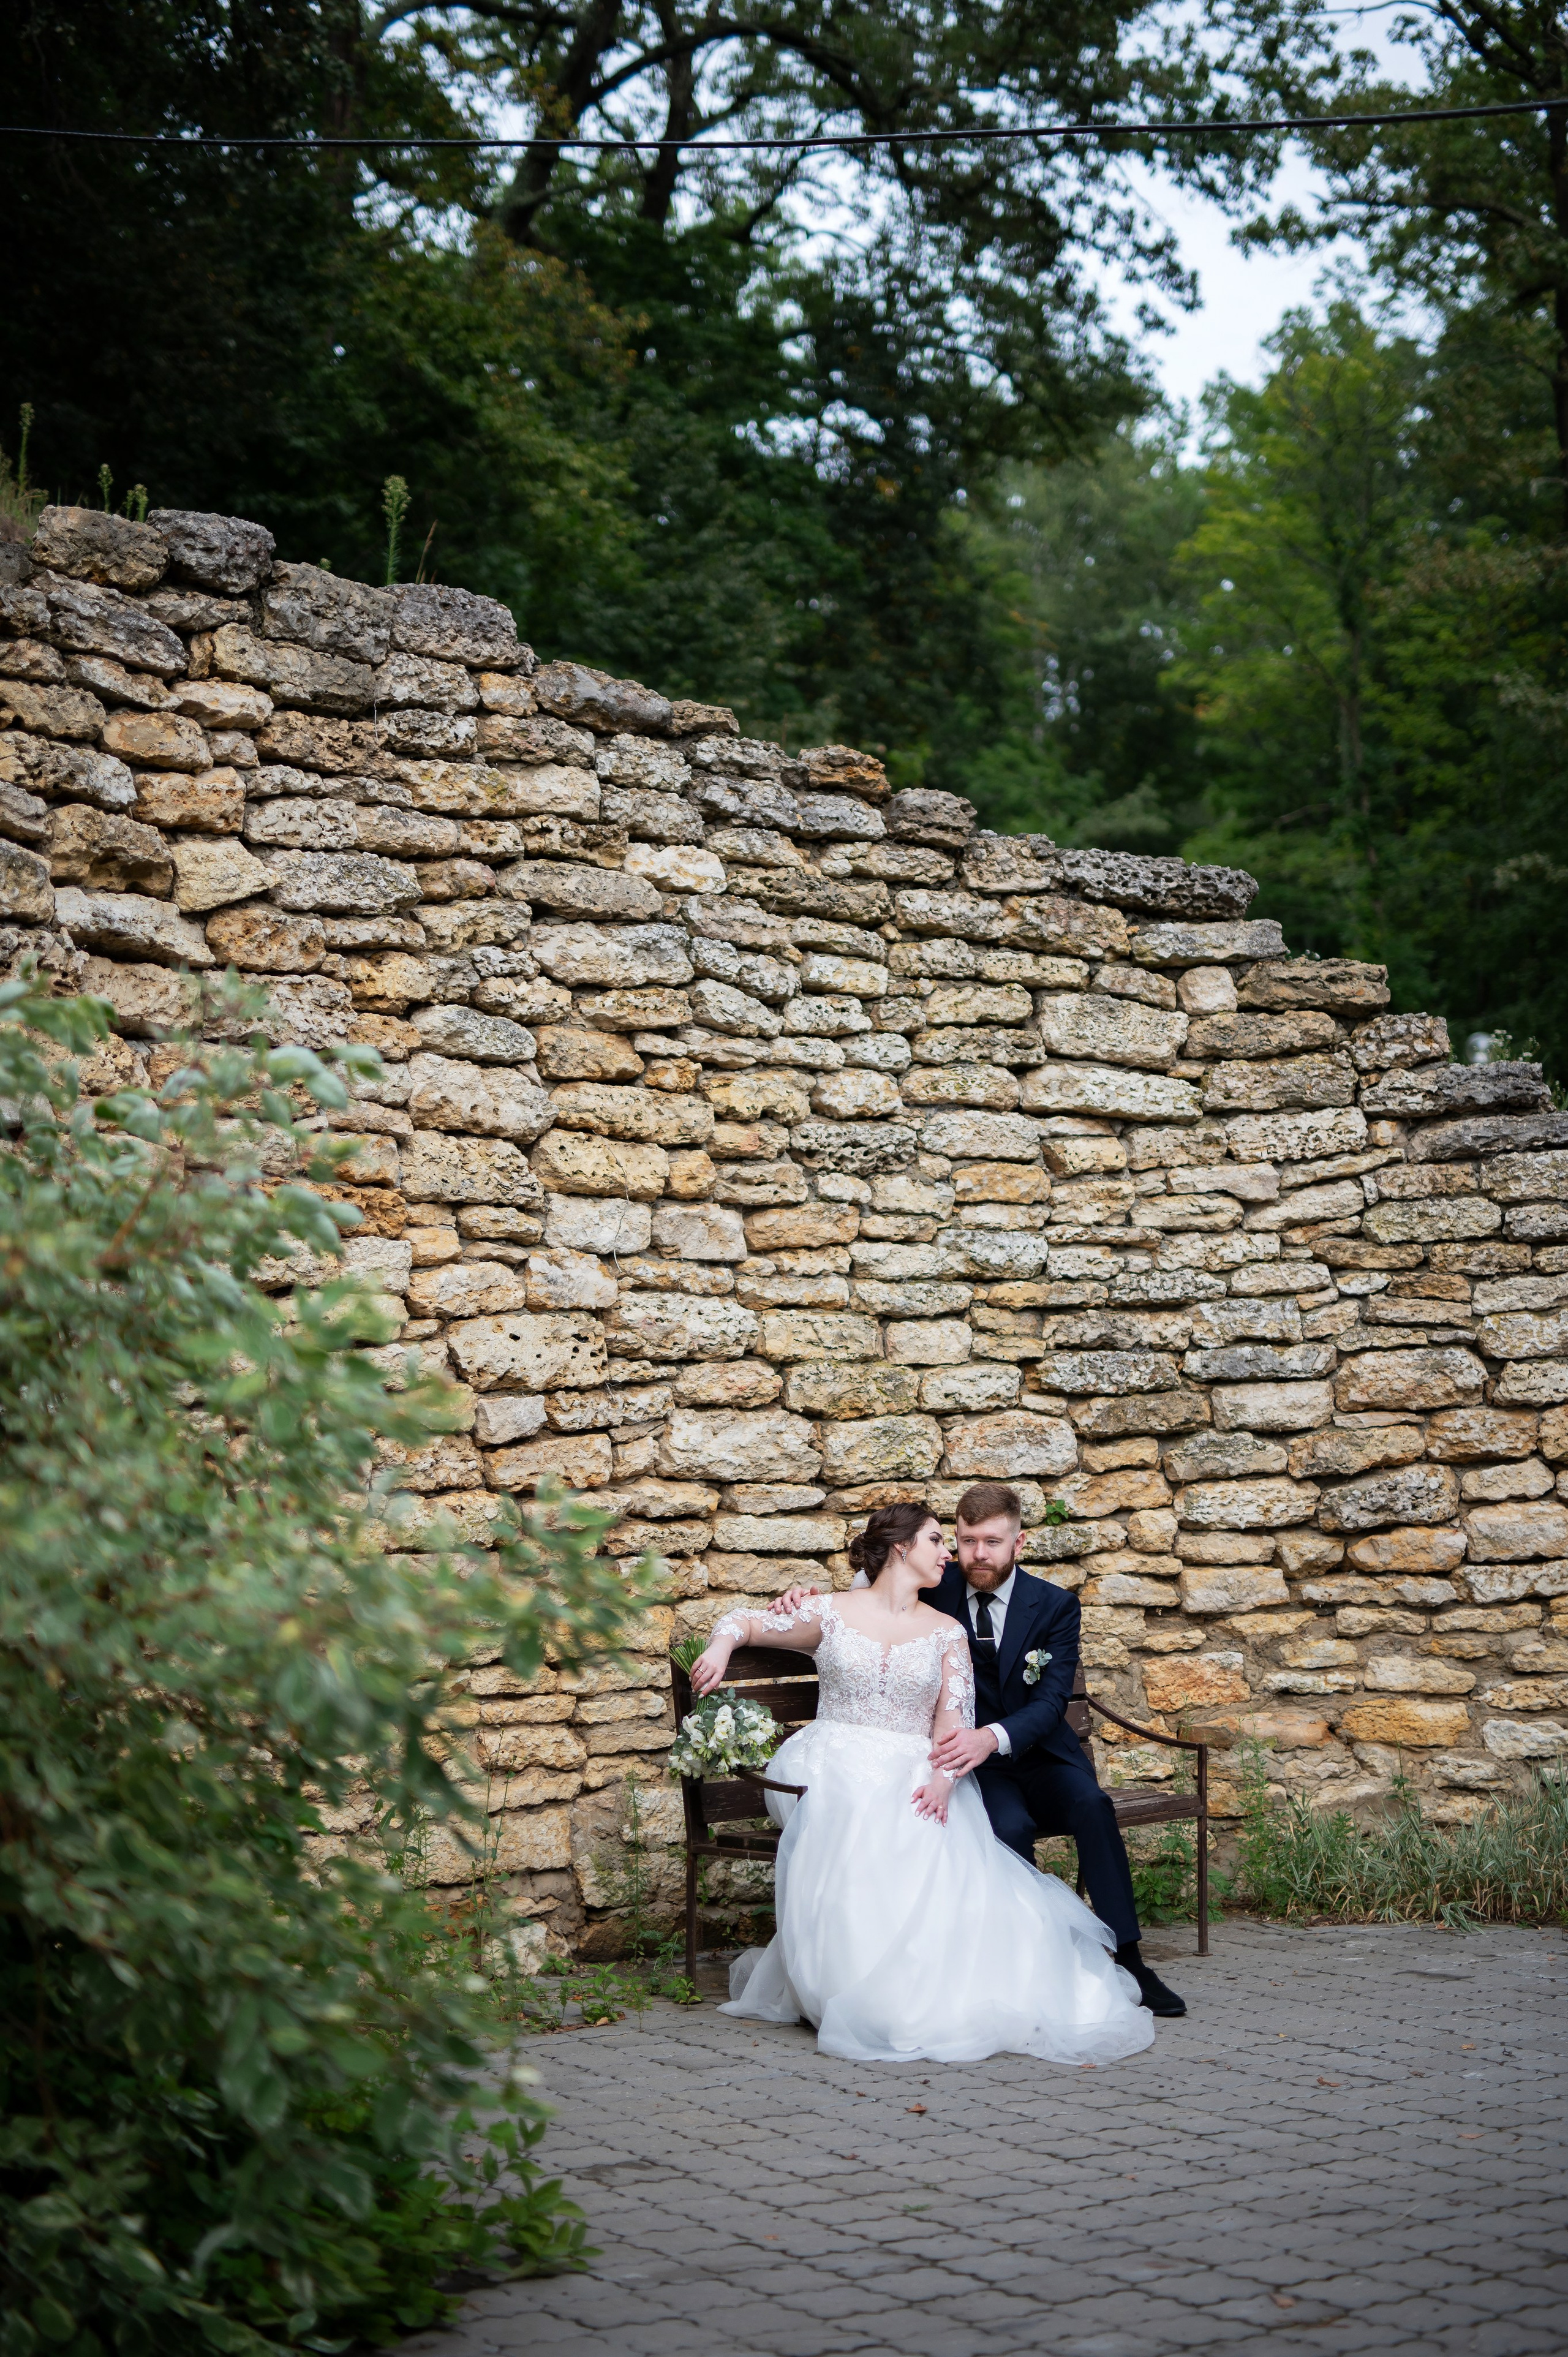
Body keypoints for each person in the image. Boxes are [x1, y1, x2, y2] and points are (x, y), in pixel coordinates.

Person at [687, 1501, 1155, 2067]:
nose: (955, 1553)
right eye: (942, 1540)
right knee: (854, 1806)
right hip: (831, 1757)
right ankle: (847, 1980)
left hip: (917, 1763)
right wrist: (722, 1644)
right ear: (904, 1548)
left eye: (961, 1543)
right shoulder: (830, 1611)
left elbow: (950, 1722)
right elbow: (745, 1619)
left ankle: (920, 1985)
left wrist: (941, 1777)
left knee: (924, 1824)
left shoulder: (947, 1631)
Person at [778, 1480, 1186, 2019]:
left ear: (1018, 1544)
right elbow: (866, 1594)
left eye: (992, 1542)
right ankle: (1014, 1953)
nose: (977, 1554)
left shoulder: (1055, 1607)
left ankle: (1131, 1958)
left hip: (1039, 1754)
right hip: (971, 1768)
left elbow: (1049, 1702)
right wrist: (800, 1593)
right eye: (967, 1541)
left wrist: (990, 1736)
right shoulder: (935, 1585)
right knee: (1009, 1827)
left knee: (1092, 1805)